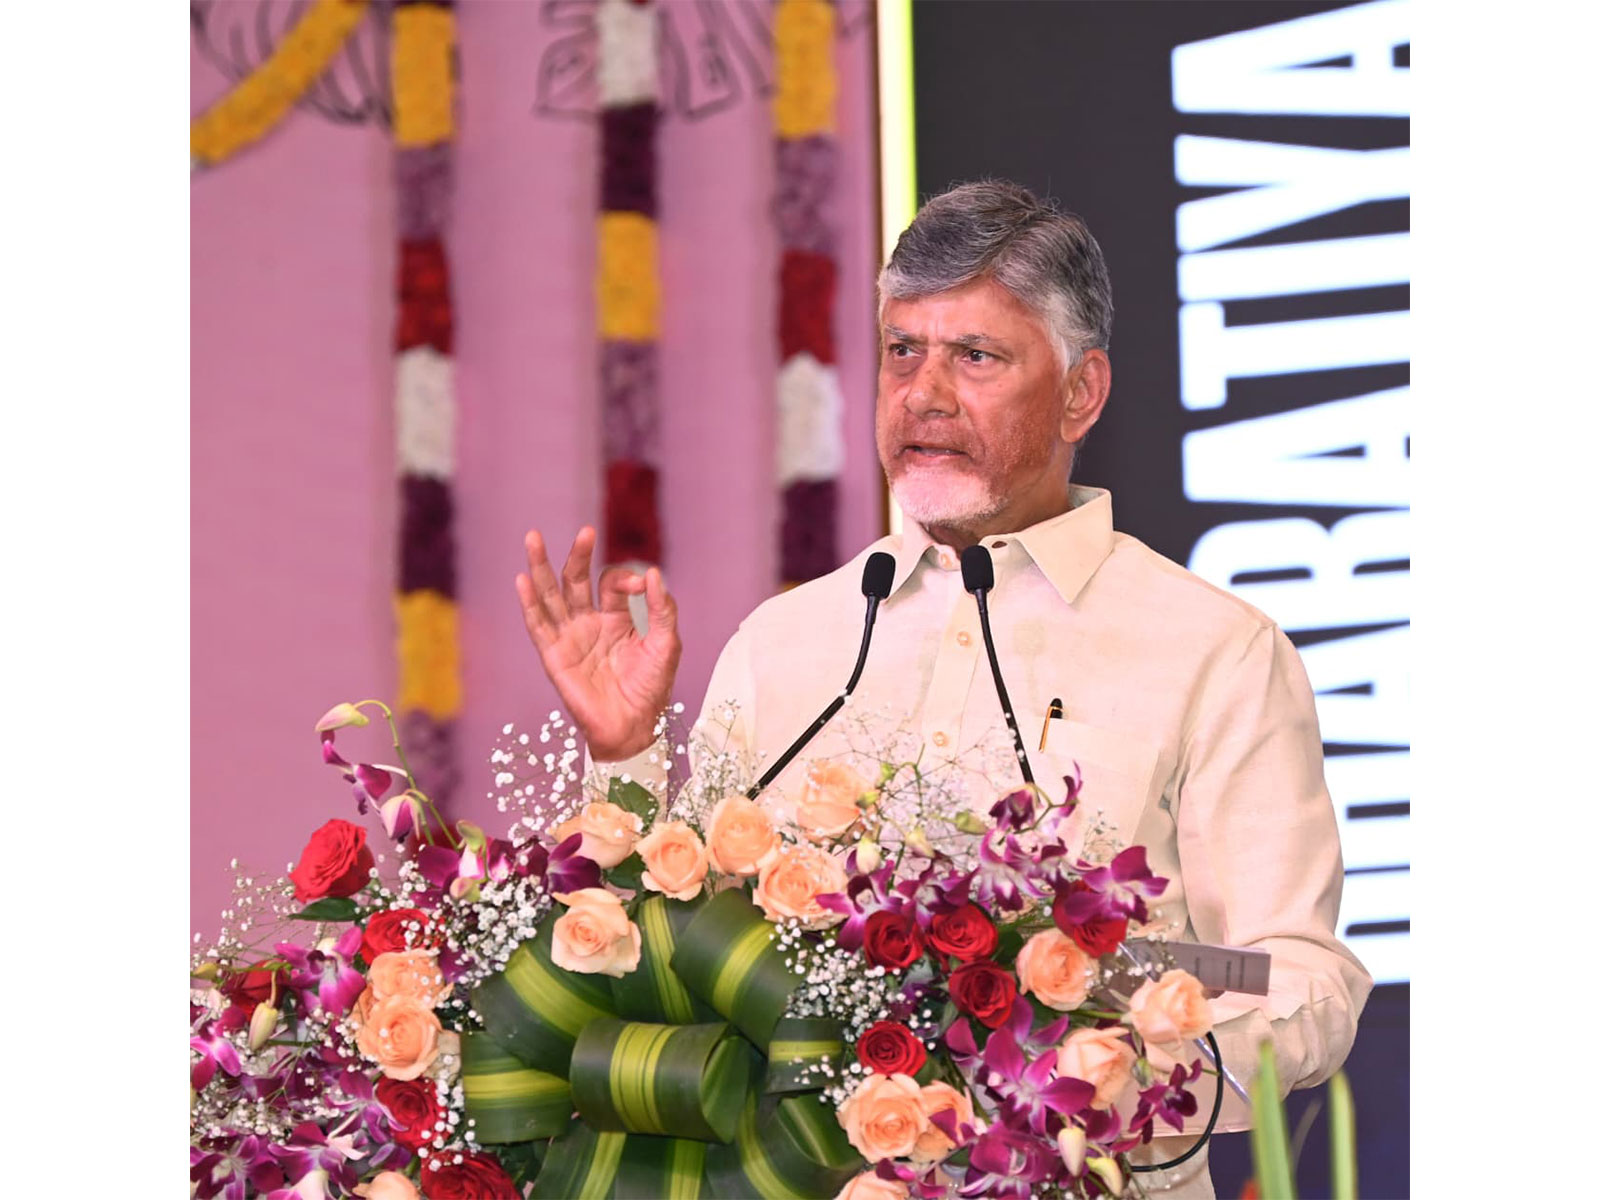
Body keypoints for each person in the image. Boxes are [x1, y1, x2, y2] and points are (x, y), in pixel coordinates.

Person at [515, 181, 1371, 1198]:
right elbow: (663, 955)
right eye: (901, 351)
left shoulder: (1212, 651)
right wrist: (623, 756)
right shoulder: (786, 642)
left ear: (1081, 392)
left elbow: (1290, 974)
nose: (923, 394)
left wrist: (1113, 1039)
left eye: (975, 357)